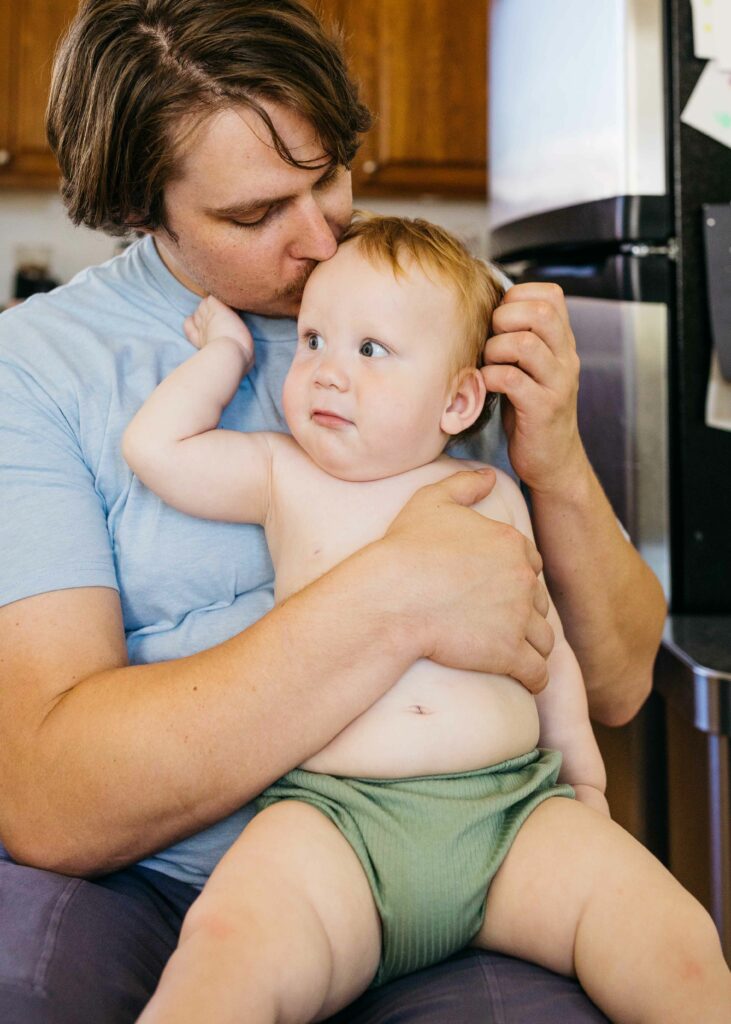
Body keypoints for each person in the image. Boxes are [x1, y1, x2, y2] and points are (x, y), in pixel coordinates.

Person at [0, 2, 667, 1021]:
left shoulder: (441, 305)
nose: (319, 239)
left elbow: (616, 684)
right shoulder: (37, 371)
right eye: (254, 213)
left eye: (329, 178)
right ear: (144, 209)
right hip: (150, 875)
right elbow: (51, 800)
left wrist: (558, 461)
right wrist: (395, 598)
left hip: (462, 838)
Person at [121, 214, 730, 1024]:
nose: (328, 373)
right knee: (227, 946)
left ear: (456, 400)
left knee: (676, 938)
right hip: (335, 824)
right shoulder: (281, 473)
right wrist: (224, 358)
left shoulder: (494, 494)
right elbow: (155, 447)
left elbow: (543, 647)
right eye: (312, 342)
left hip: (510, 815)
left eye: (369, 351)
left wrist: (580, 773)